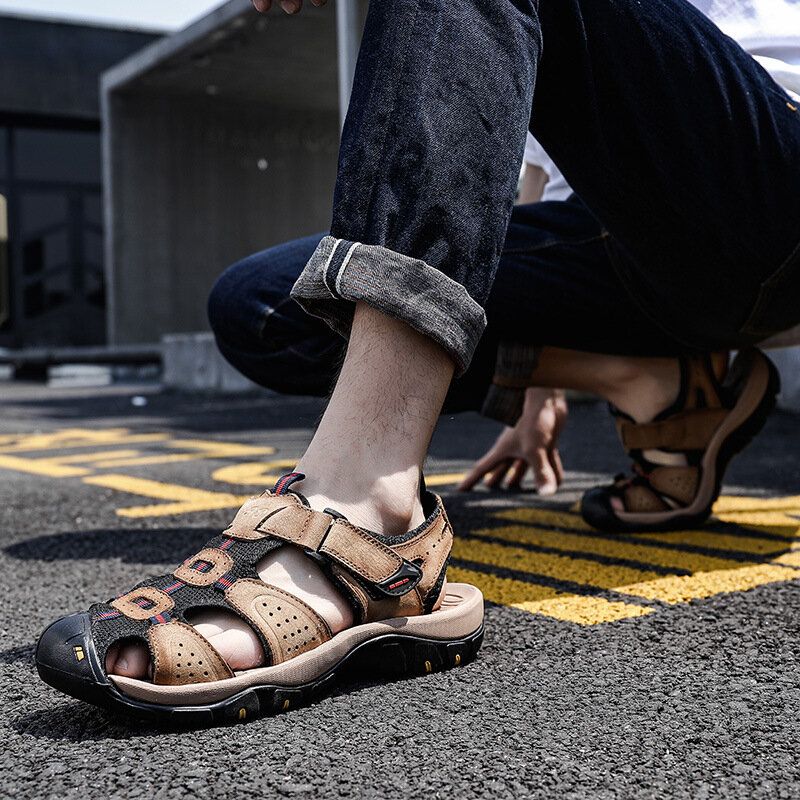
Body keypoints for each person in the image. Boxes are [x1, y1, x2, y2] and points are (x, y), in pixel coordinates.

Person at [36, 0, 800, 721]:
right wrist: (542, 387)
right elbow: (519, 189)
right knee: (262, 305)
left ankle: (370, 506)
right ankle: (662, 384)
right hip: (608, 241)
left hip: (767, 200)